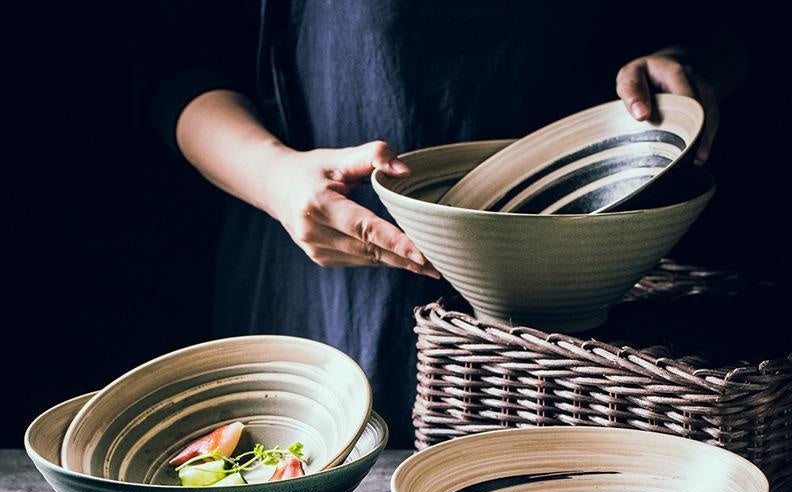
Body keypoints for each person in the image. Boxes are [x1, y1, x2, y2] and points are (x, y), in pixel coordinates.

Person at [132, 2, 744, 446]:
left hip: (599, 302)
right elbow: (176, 53)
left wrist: (687, 64)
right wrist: (273, 176)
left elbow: (731, 21)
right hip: (330, 281)